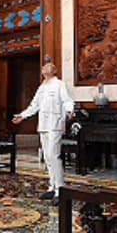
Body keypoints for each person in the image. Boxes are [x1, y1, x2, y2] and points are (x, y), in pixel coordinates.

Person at [12, 62, 74, 206]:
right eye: (43, 67)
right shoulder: (41, 87)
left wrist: (70, 110)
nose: (45, 68)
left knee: (54, 156)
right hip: (44, 125)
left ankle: (60, 189)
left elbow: (67, 100)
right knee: (47, 156)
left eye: (48, 66)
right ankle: (52, 187)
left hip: (55, 124)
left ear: (54, 70)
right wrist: (22, 115)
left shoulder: (59, 85)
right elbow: (35, 105)